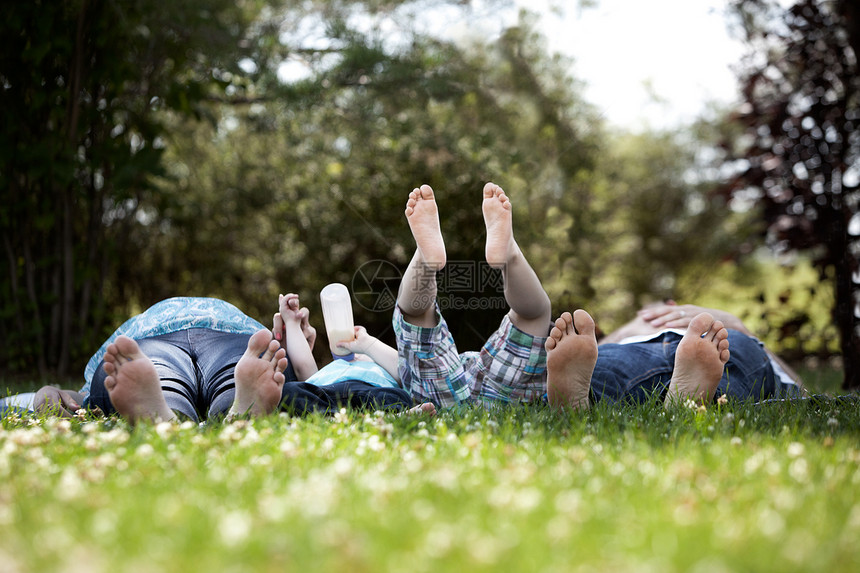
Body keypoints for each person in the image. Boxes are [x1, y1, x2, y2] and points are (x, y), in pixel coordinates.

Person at [394, 182, 552, 408]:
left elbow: (399, 367)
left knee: (415, 318)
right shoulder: (363, 353)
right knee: (534, 316)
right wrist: (365, 345)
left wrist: (365, 345)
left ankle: (424, 258)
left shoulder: (360, 359)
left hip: (439, 400)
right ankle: (511, 255)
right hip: (500, 393)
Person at [544, 301, 806, 410]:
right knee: (604, 363)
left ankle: (580, 404)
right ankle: (695, 404)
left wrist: (735, 323)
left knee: (609, 369)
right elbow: (797, 387)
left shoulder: (718, 327)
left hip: (700, 352)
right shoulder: (629, 329)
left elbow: (799, 388)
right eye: (652, 311)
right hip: (639, 346)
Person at [273, 293, 436, 416]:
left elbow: (405, 371)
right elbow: (303, 367)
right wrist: (292, 321)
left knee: (396, 396)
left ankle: (395, 416)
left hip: (371, 392)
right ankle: (330, 417)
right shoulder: (329, 372)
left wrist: (367, 344)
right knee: (288, 390)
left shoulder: (377, 368)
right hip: (326, 392)